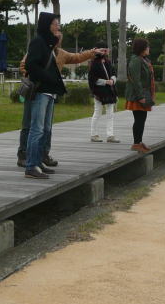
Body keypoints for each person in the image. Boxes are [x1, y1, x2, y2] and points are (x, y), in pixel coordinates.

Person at [23, 13, 104, 179]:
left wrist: (92, 52)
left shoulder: (50, 46)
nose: (58, 27)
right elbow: (31, 65)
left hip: (49, 93)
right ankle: (31, 166)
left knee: (45, 130)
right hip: (40, 92)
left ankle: (38, 162)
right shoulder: (38, 42)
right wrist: (49, 78)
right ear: (47, 25)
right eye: (55, 24)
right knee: (37, 129)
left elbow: (76, 57)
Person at [124, 38, 155, 153]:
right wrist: (141, 96)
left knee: (142, 119)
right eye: (147, 47)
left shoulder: (143, 59)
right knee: (139, 119)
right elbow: (136, 80)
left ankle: (139, 142)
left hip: (143, 93)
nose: (148, 48)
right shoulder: (136, 60)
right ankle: (136, 143)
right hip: (137, 95)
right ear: (142, 48)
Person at [88, 41, 119, 143]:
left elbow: (114, 73)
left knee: (110, 114)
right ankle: (93, 134)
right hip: (99, 92)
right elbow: (92, 79)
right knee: (97, 112)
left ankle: (110, 135)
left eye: (106, 50)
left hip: (110, 91)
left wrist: (112, 80)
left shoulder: (108, 62)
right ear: (98, 51)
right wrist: (105, 82)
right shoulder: (94, 63)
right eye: (103, 50)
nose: (105, 52)